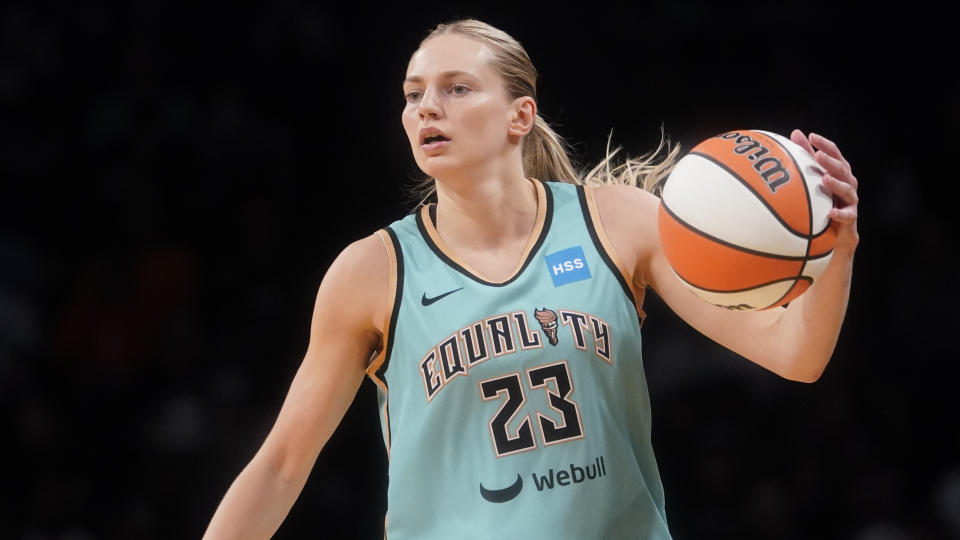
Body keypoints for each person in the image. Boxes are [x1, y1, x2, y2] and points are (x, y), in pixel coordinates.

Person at [203, 19, 858, 539]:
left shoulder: (617, 222)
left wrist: (838, 244)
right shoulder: (371, 271)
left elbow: (794, 353)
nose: (428, 107)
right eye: (413, 94)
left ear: (520, 115)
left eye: (457, 88)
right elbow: (282, 466)